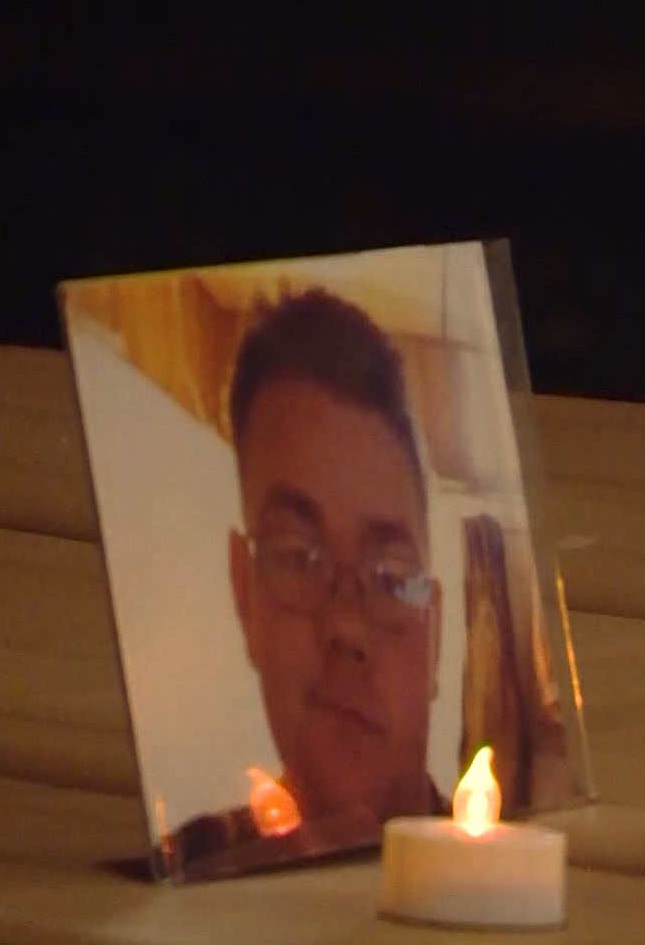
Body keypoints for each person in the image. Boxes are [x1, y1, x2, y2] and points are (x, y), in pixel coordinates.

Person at [168, 288, 449, 875]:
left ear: (437, 634)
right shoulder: (193, 866)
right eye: (299, 556)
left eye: (392, 577)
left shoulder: (504, 855)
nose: (346, 623)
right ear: (245, 597)